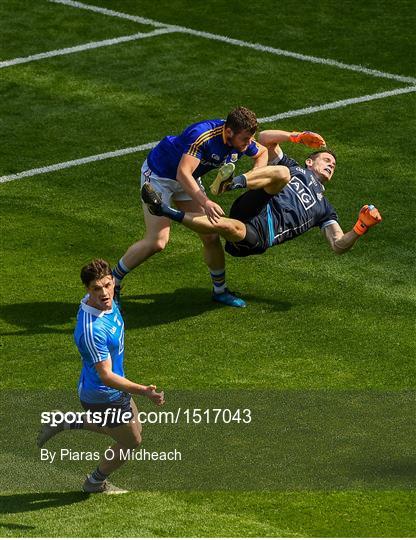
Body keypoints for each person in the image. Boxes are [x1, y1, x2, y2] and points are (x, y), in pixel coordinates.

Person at [141, 129, 382, 267]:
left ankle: (164, 210)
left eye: (334, 165)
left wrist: (360, 228)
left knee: (230, 226)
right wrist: (295, 137)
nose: (331, 164)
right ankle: (229, 184)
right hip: (254, 204)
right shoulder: (296, 168)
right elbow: (264, 139)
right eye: (326, 160)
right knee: (282, 172)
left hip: (262, 234)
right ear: (310, 162)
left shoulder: (325, 209)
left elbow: (338, 246)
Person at [112, 107, 268, 309]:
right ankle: (113, 281)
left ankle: (220, 290)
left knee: (211, 234)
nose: (248, 145)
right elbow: (182, 173)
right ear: (229, 131)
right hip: (160, 176)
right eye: (245, 139)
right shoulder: (202, 136)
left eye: (249, 139)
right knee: (157, 242)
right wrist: (206, 202)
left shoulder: (238, 138)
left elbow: (262, 152)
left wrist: (252, 177)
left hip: (189, 179)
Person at [37, 259, 165, 494]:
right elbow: (106, 376)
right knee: (131, 442)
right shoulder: (92, 330)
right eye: (97, 288)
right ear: (88, 290)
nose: (104, 293)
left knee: (134, 431)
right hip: (103, 394)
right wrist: (143, 391)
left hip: (114, 389)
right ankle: (94, 482)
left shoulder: (106, 301)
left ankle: (64, 422)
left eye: (107, 285)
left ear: (113, 280)